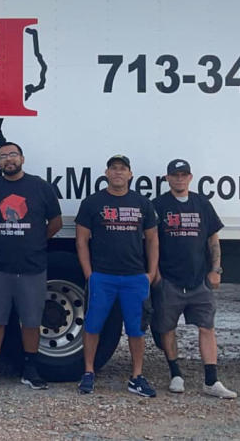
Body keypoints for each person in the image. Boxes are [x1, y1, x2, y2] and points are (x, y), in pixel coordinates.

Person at [0, 142, 61, 392]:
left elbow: (55, 221)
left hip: (32, 267)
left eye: (13, 155)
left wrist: (36, 240)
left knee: (31, 321)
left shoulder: (40, 187)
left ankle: (30, 369)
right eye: (3, 156)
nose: (8, 160)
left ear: (22, 158)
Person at [152, 159, 237, 399]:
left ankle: (212, 380)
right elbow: (151, 241)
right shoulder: (158, 205)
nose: (179, 179)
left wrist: (216, 270)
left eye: (183, 175)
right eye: (174, 175)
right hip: (169, 280)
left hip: (199, 280)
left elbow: (213, 239)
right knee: (167, 328)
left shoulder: (202, 204)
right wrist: (156, 274)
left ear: (190, 177)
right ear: (167, 178)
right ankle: (175, 374)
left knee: (207, 327)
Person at [75, 155, 159, 397]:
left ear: (130, 174)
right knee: (93, 325)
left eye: (123, 169)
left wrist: (150, 273)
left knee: (136, 329)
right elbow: (81, 240)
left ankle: (136, 377)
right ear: (106, 173)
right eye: (114, 169)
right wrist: (89, 274)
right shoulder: (93, 202)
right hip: (102, 276)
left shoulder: (142, 203)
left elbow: (152, 240)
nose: (118, 173)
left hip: (134, 278)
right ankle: (89, 372)